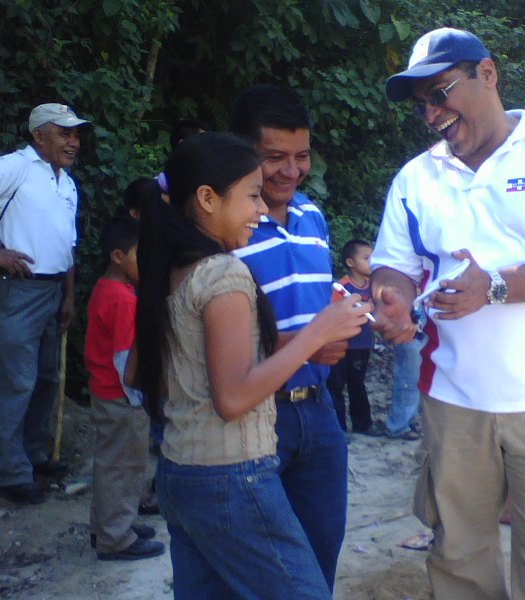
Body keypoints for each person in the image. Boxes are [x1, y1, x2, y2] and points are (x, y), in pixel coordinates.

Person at [373, 28, 525, 599]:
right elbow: (393, 266)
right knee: (458, 558)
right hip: (452, 400)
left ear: (487, 73)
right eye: (421, 104)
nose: (431, 114)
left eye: (440, 93)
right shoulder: (416, 178)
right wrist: (393, 300)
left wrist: (496, 287)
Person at [131, 132, 368, 598]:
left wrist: (287, 344)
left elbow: (138, 373)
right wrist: (316, 334)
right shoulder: (224, 273)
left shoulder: (171, 269)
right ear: (207, 199)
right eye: (252, 196)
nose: (261, 210)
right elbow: (233, 398)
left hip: (180, 472)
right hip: (231, 475)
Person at [229, 85, 349, 591]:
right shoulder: (224, 228)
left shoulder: (312, 217)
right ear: (243, 152)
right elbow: (204, 345)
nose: (291, 170)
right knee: (261, 571)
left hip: (319, 412)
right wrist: (306, 341)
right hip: (254, 417)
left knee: (320, 557)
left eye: (301, 156)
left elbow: (320, 307)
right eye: (274, 157)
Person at [0, 103, 91, 505]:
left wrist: (68, 296)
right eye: (65, 133)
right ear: (38, 135)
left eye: (76, 135)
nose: (74, 142)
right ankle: (11, 472)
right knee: (17, 381)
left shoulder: (66, 183)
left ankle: (33, 454)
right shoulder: (15, 167)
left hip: (53, 292)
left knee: (47, 378)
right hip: (19, 290)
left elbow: (67, 245)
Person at [84, 215, 164, 561]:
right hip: (121, 397)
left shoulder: (108, 288)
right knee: (125, 466)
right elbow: (123, 358)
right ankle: (116, 538)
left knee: (112, 463)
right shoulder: (122, 299)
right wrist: (138, 398)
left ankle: (109, 526)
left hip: (107, 392)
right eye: (139, 255)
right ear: (118, 256)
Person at [326, 239, 381, 435]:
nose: (372, 262)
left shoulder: (373, 286)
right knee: (336, 386)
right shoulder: (341, 287)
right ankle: (338, 428)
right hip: (342, 344)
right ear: (350, 262)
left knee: (358, 384)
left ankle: (362, 424)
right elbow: (333, 312)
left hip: (362, 344)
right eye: (366, 258)